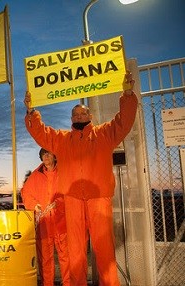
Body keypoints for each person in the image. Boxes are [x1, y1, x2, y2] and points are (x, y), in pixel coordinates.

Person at [23, 71, 138, 285]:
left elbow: (124, 122)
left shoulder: (104, 134)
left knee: (104, 251)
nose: (79, 117)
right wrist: (31, 111)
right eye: (75, 115)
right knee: (76, 253)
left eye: (83, 114)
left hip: (98, 198)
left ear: (90, 117)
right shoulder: (62, 140)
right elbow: (41, 133)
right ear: (71, 119)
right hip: (72, 200)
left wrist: (128, 94)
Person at [21, 148, 70, 286]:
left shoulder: (65, 172)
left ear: (55, 156)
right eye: (43, 154)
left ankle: (69, 283)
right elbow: (25, 193)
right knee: (45, 260)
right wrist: (33, 205)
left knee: (66, 258)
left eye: (48, 153)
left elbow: (71, 191)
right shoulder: (35, 176)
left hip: (62, 223)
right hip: (44, 225)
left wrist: (59, 202)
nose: (46, 156)